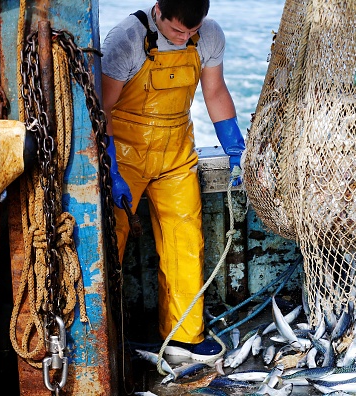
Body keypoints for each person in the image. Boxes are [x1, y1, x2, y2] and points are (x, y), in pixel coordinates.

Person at [101, 0, 245, 361]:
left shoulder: (208, 36)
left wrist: (234, 147)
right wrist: (111, 168)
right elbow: (99, 108)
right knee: (109, 242)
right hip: (124, 154)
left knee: (185, 239)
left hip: (177, 150)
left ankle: (183, 336)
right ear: (158, 11)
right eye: (178, 30)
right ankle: (105, 336)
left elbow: (214, 92)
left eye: (192, 31)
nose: (184, 39)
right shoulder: (126, 39)